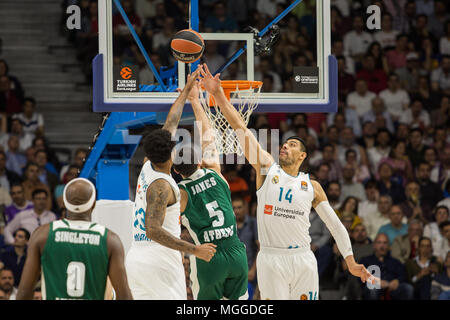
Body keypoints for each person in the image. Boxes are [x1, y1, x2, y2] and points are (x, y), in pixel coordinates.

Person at [199, 64, 375, 300]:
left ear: (303, 156)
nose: (285, 145)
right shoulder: (266, 168)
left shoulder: (312, 186)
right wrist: (218, 94)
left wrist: (350, 260)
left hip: (303, 258)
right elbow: (241, 128)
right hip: (271, 259)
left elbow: (335, 225)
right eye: (285, 142)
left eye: (292, 144)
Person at [125, 69, 216, 300]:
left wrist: (186, 91)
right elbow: (153, 229)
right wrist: (195, 250)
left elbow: (171, 123)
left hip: (138, 256)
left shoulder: (147, 165)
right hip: (159, 260)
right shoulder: (162, 186)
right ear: (172, 154)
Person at [173, 79, 249, 300]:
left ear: (176, 171)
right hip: (236, 253)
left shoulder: (181, 194)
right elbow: (209, 135)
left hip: (209, 256)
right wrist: (196, 100)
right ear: (199, 161)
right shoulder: (216, 172)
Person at [15, 177, 133, 300]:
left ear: (64, 203)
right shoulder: (110, 240)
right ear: (93, 204)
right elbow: (125, 296)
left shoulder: (42, 235)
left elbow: (24, 293)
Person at [360, 233, 414, 300]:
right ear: (374, 245)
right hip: (374, 287)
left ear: (389, 246)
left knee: (408, 288)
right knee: (373, 288)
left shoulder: (396, 262)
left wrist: (397, 281)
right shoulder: (365, 260)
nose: (382, 246)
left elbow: (403, 275)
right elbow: (360, 277)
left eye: (385, 243)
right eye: (379, 242)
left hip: (392, 288)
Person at [233, 194, 259, 299]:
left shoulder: (253, 223)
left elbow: (260, 247)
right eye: (234, 208)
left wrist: (253, 270)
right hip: (233, 273)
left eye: (239, 207)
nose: (237, 211)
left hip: (250, 273)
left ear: (245, 208)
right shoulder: (228, 224)